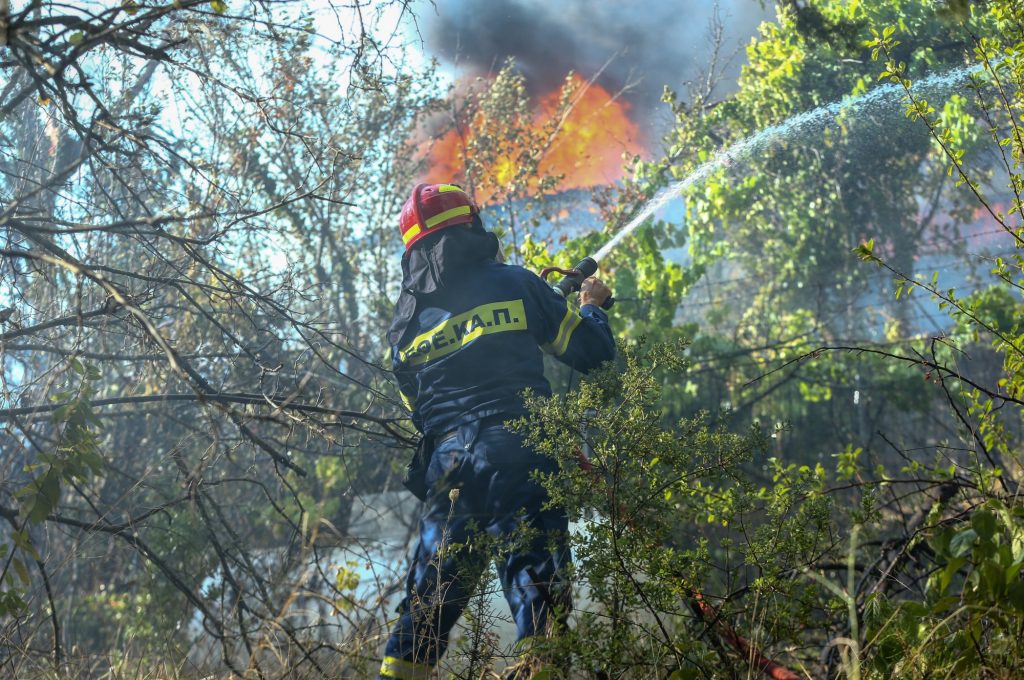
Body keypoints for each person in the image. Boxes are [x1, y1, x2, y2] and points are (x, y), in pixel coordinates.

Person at [380, 183, 615, 680]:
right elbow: (589, 351)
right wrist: (591, 305)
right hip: (518, 451)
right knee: (538, 587)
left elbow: (420, 412)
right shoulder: (514, 283)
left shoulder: (402, 328)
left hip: (449, 468)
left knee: (429, 601)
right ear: (472, 229)